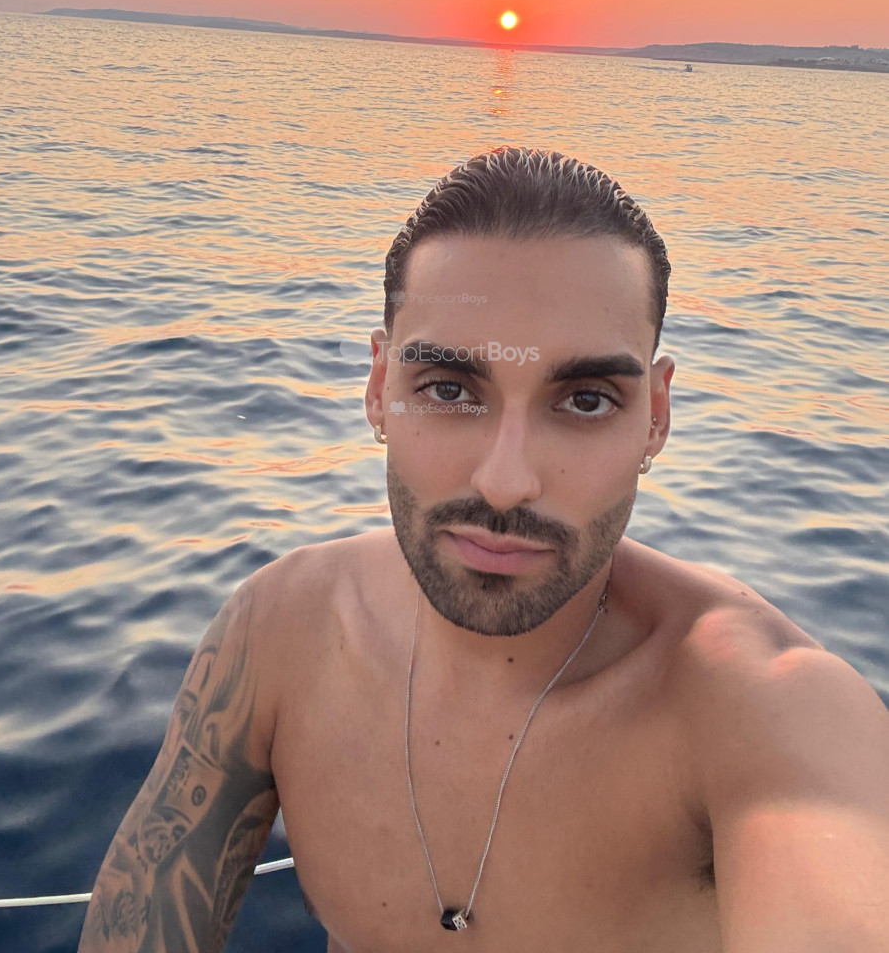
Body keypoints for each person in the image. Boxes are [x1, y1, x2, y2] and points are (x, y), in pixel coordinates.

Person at [78, 147, 889, 953]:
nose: (505, 483)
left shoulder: (764, 711)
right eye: (449, 390)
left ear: (655, 417)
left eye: (585, 400)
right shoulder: (278, 632)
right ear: (379, 389)